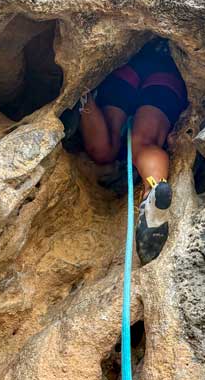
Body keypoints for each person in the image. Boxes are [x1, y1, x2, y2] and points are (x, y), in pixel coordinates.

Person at [79, 38, 188, 263]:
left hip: (126, 73)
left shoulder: (115, 158)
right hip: (164, 74)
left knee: (102, 151)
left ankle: (84, 100)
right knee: (144, 142)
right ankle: (152, 192)